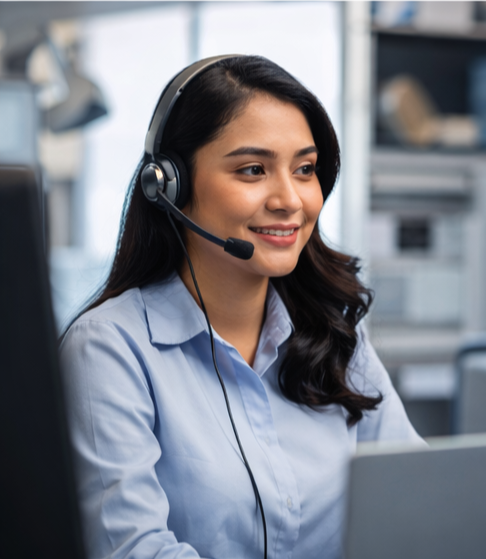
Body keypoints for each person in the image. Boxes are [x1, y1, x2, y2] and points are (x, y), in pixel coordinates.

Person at [60, 55, 423, 559]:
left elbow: (420, 502)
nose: (290, 199)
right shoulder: (109, 349)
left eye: (305, 169)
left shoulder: (334, 334)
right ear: (169, 186)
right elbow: (133, 549)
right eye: (253, 170)